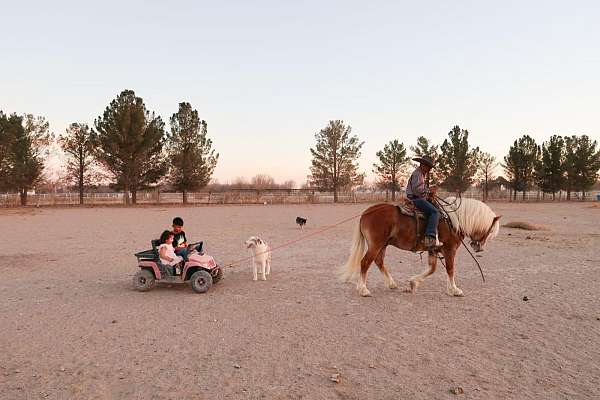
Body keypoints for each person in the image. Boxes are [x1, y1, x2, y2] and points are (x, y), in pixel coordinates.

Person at [406, 155, 442, 250]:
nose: (429, 169)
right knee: (435, 212)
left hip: (419, 198)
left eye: (430, 168)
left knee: (437, 208)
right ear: (422, 165)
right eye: (428, 167)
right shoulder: (418, 174)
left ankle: (435, 235)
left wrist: (428, 194)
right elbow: (417, 189)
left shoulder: (421, 174)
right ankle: (429, 237)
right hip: (415, 199)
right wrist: (429, 190)